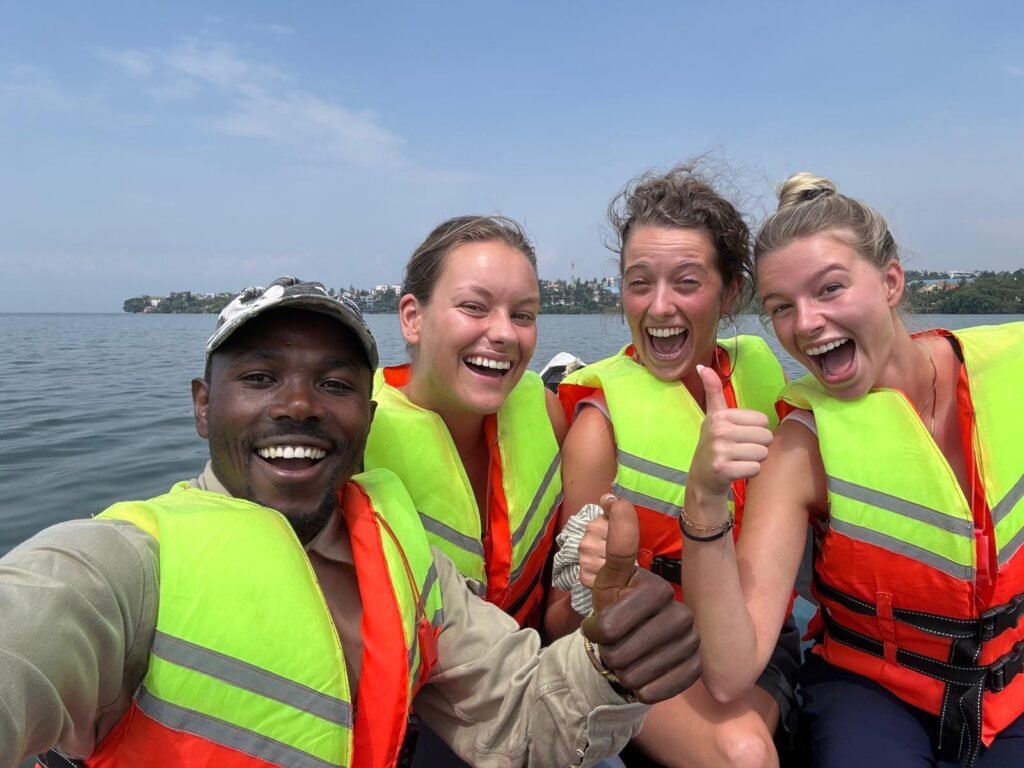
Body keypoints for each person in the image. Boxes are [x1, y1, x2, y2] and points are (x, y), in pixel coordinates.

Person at [0, 277, 703, 768]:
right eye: (259, 377)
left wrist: (612, 664)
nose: (300, 405)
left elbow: (526, 726)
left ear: (367, 418)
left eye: (335, 384)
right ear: (202, 407)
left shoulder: (403, 561)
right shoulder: (119, 570)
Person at [682, 173, 1024, 768]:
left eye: (830, 290)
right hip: (874, 691)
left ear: (892, 281)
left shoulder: (1011, 376)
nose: (807, 322)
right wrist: (705, 496)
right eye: (781, 308)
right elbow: (732, 671)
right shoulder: (800, 447)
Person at [544, 164, 798, 768]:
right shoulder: (597, 427)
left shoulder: (762, 378)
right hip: (647, 646)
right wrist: (593, 583)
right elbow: (557, 620)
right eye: (640, 283)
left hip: (757, 635)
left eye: (687, 282)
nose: (660, 306)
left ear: (730, 291)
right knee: (742, 754)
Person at [364, 216, 566, 629]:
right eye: (474, 307)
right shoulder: (357, 438)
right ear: (412, 318)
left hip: (532, 663)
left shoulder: (546, 412)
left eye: (523, 315)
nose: (505, 333)